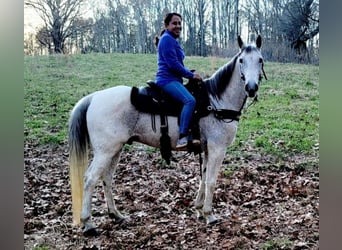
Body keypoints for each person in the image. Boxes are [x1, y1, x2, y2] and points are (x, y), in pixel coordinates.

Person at [155, 12, 202, 150]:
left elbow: (178, 64)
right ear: (167, 25)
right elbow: (173, 65)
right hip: (167, 80)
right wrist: (190, 75)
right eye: (174, 23)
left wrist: (189, 72)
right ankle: (182, 137)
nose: (178, 26)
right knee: (190, 100)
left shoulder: (171, 40)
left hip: (174, 79)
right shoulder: (167, 39)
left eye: (179, 23)